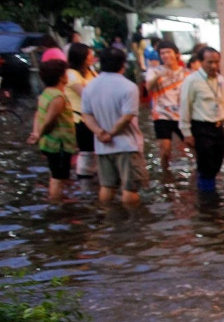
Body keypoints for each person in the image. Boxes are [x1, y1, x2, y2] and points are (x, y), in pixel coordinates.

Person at [81, 48, 145, 206]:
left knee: (107, 187)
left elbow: (86, 115)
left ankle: (109, 220)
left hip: (103, 147)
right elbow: (127, 116)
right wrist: (111, 133)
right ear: (123, 65)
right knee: (130, 189)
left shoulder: (90, 87)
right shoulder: (128, 87)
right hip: (127, 145)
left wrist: (100, 133)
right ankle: (133, 224)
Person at [179, 46, 224, 194]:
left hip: (219, 126)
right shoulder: (192, 81)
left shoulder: (221, 80)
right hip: (201, 127)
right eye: (209, 62)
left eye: (216, 62)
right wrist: (186, 133)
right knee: (206, 164)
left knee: (217, 161)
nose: (214, 66)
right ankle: (207, 198)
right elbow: (185, 106)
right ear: (201, 62)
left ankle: (208, 188)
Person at [27, 59, 76, 203]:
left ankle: (58, 197)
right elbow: (49, 120)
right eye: (65, 73)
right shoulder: (58, 97)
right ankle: (56, 203)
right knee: (58, 178)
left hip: (50, 143)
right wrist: (38, 135)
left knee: (56, 174)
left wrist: (36, 133)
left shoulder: (46, 93)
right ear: (61, 77)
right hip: (58, 144)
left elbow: (38, 115)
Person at [145, 40, 188, 171]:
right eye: (162, 53)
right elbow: (148, 88)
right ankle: (165, 174)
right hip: (161, 114)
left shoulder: (185, 73)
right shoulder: (154, 71)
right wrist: (158, 76)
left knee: (194, 145)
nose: (165, 55)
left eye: (168, 52)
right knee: (165, 150)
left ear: (177, 54)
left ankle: (199, 174)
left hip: (182, 115)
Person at [65, 43, 97, 182]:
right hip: (79, 119)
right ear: (81, 57)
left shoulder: (90, 72)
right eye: (89, 55)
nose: (92, 57)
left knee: (93, 150)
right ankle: (84, 181)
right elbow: (85, 94)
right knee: (86, 151)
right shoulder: (71, 74)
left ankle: (93, 179)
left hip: (92, 117)